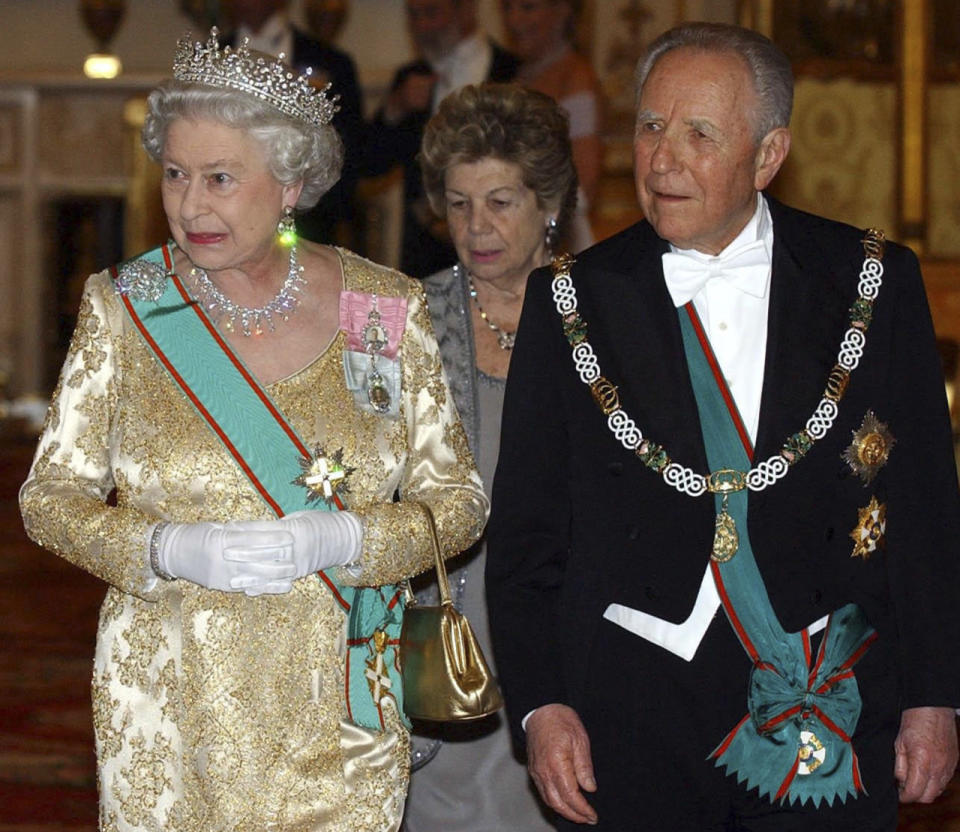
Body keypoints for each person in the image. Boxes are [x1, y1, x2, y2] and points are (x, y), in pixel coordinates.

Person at [486, 21, 960, 831]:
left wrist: (934, 697)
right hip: (631, 711)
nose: (661, 158)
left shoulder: (872, 283)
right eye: (650, 126)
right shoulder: (571, 300)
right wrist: (540, 705)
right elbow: (529, 533)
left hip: (824, 696)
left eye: (699, 133)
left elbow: (924, 511)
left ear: (769, 155)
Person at [19, 29, 487, 831]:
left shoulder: (378, 310)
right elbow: (47, 498)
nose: (189, 204)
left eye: (220, 178)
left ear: (293, 183)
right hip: (166, 705)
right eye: (174, 173)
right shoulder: (127, 309)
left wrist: (344, 540)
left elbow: (460, 504)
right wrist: (165, 549)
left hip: (343, 708)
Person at [403, 82, 577, 831]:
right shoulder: (399, 318)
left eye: (501, 201)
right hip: (443, 632)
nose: (476, 227)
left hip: (564, 632)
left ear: (550, 204)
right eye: (459, 201)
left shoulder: (602, 318)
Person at [363, 0, 519, 278]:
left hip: (499, 249)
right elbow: (368, 166)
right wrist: (395, 108)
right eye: (414, 15)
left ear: (466, 10)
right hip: (425, 259)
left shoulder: (514, 73)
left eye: (431, 12)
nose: (422, 26)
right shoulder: (410, 77)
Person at [225, 0, 364, 247]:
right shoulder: (211, 54)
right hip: (227, 205)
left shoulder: (331, 61)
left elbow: (350, 144)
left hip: (310, 216)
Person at [501, 0, 602, 252]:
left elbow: (584, 185)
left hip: (553, 243)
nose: (514, 19)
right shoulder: (515, 76)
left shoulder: (575, 78)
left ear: (563, 10)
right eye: (507, 7)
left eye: (528, 7)